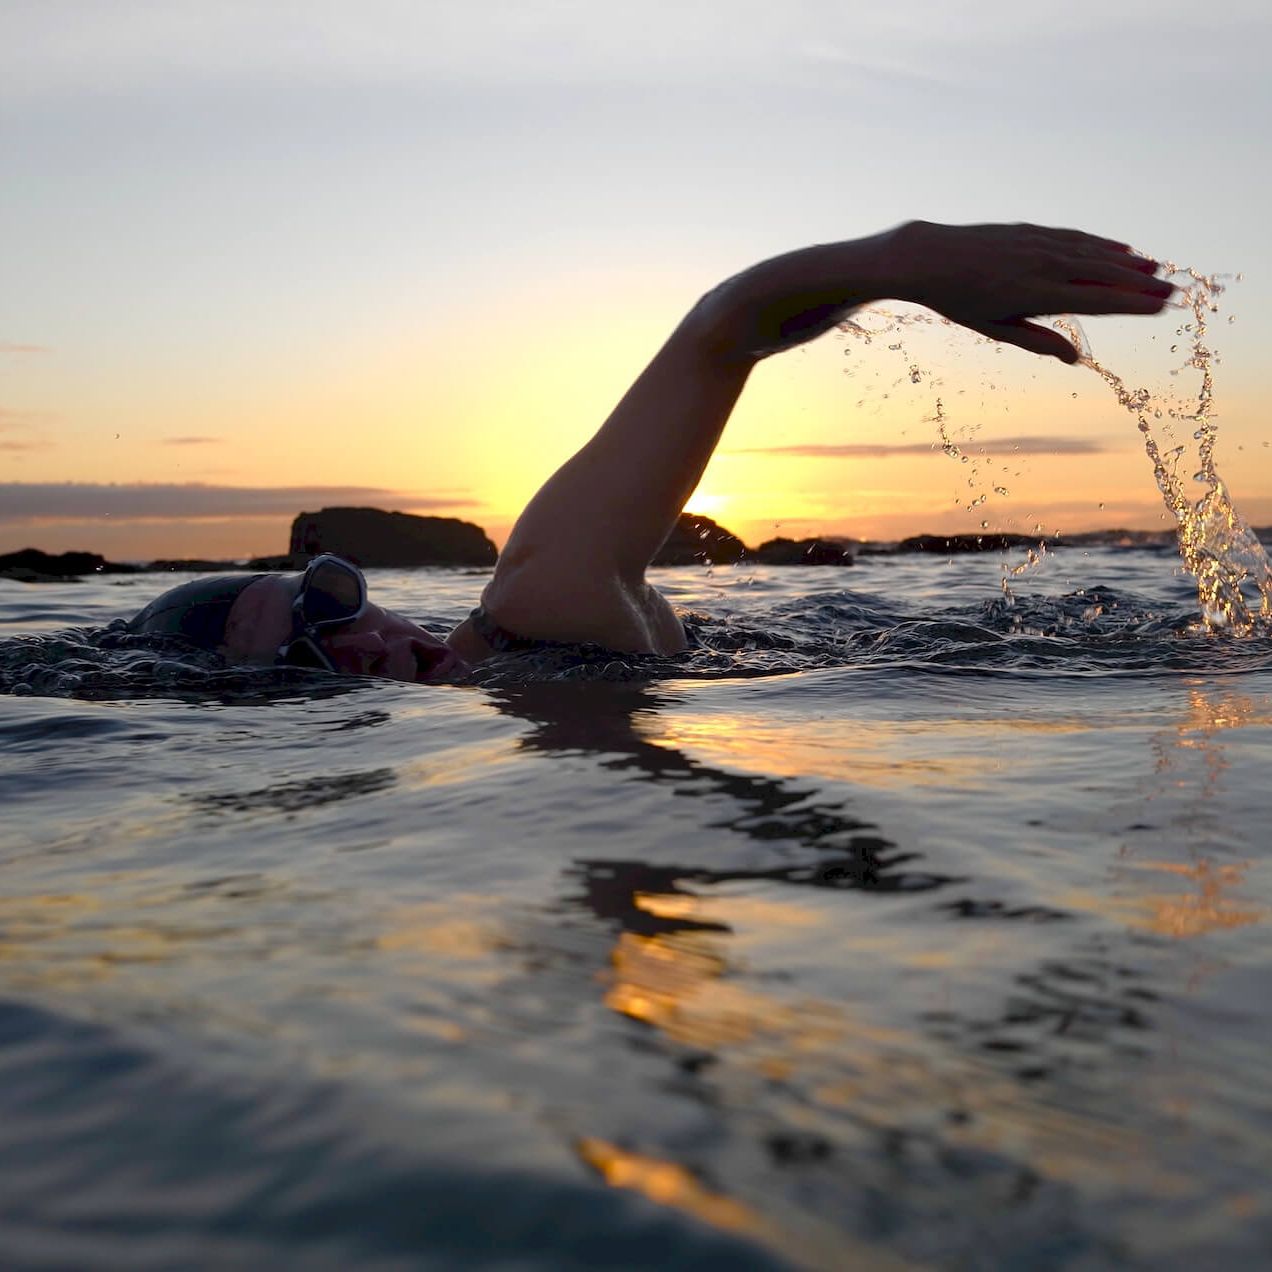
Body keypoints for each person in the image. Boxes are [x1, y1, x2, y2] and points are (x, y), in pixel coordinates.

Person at [127, 220, 1175, 683]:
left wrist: (903, 260)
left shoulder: (542, 599)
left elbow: (724, 327)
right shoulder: (527, 669)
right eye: (311, 659)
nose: (360, 643)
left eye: (335, 594)